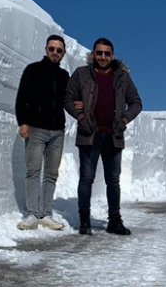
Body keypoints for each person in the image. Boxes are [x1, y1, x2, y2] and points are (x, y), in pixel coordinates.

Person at [64, 37, 142, 235]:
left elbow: (136, 102)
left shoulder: (122, 77)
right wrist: (80, 115)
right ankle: (84, 221)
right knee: (86, 179)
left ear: (112, 55)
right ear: (93, 54)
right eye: (99, 53)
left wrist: (124, 119)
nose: (103, 57)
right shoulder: (82, 74)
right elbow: (68, 98)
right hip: (89, 134)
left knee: (113, 181)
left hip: (113, 136)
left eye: (107, 53)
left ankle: (114, 221)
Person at [14, 34, 70, 230]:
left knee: (51, 174)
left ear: (63, 54)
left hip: (57, 132)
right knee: (33, 172)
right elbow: (22, 98)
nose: (55, 52)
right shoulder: (33, 70)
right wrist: (23, 122)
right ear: (46, 49)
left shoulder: (64, 77)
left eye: (59, 50)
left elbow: (68, 101)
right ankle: (32, 214)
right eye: (52, 49)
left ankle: (46, 214)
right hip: (35, 129)